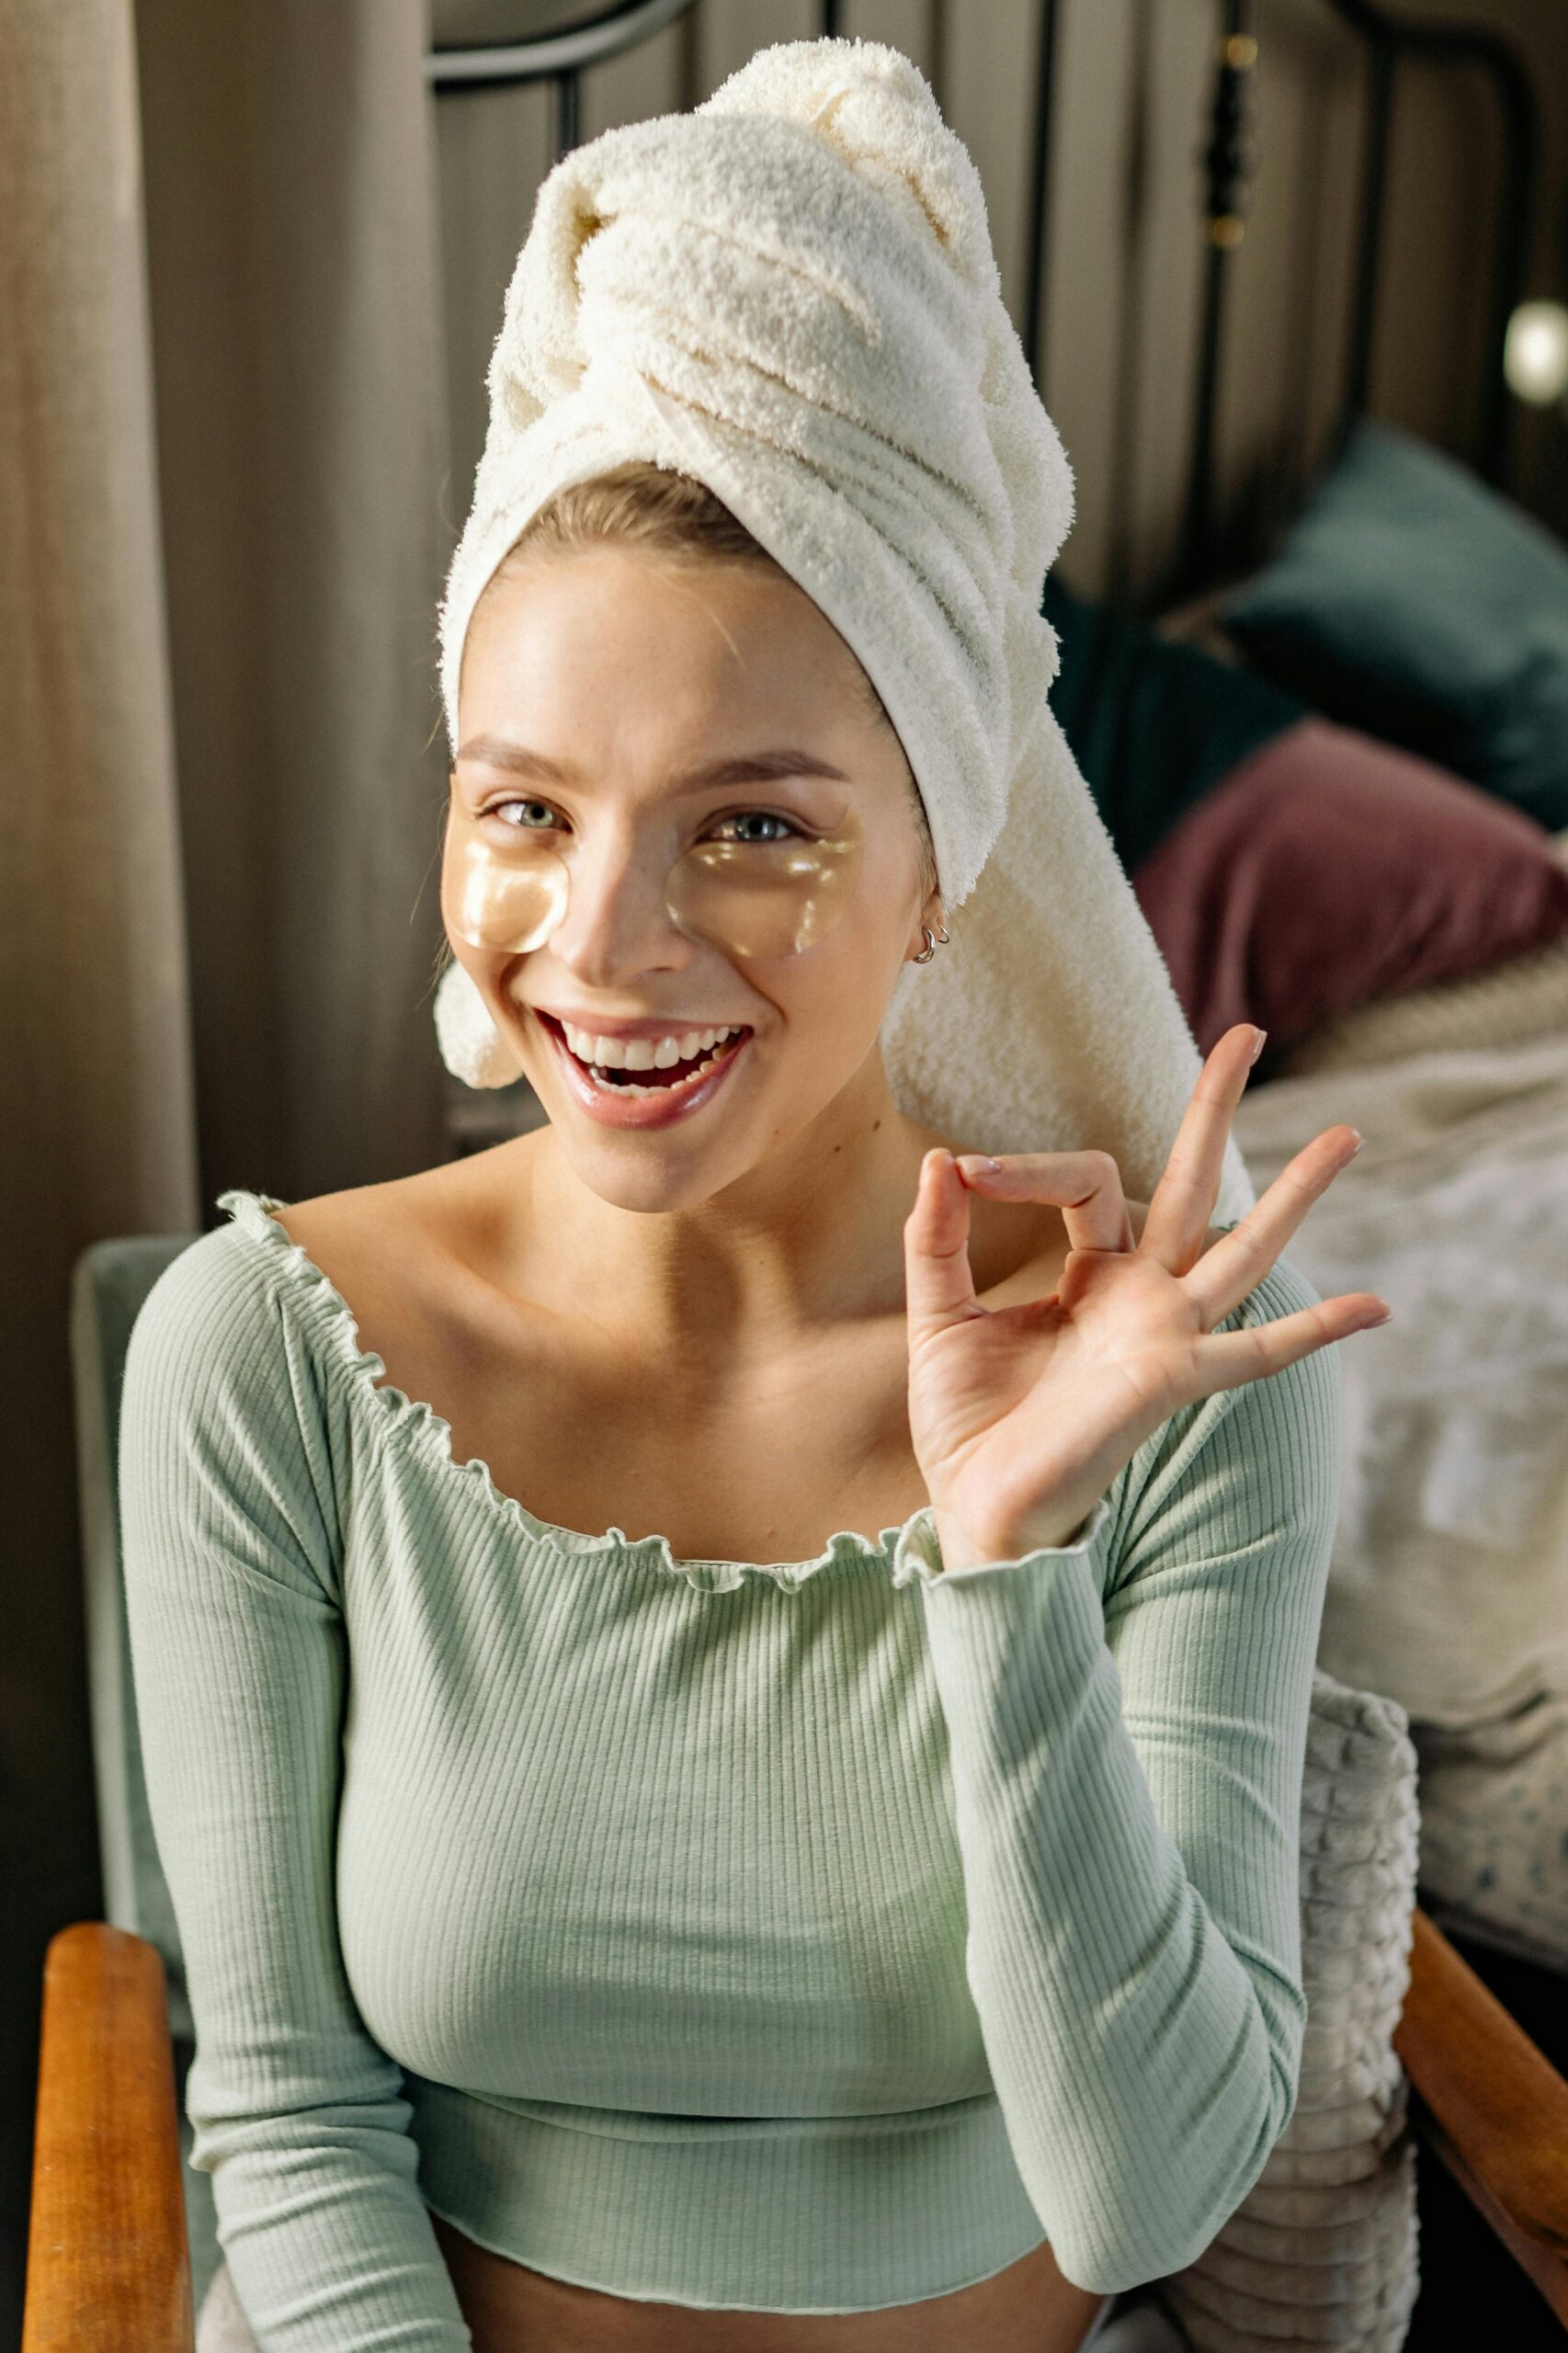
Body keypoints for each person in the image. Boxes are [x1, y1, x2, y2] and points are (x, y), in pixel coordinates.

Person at [119, 38, 1389, 2353]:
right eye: (522, 808)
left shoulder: (1175, 1383)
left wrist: (1004, 1568)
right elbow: (289, 2121)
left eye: (756, 824)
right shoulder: (258, 1353)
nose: (594, 948)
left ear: (941, 871)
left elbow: (1143, 2197)